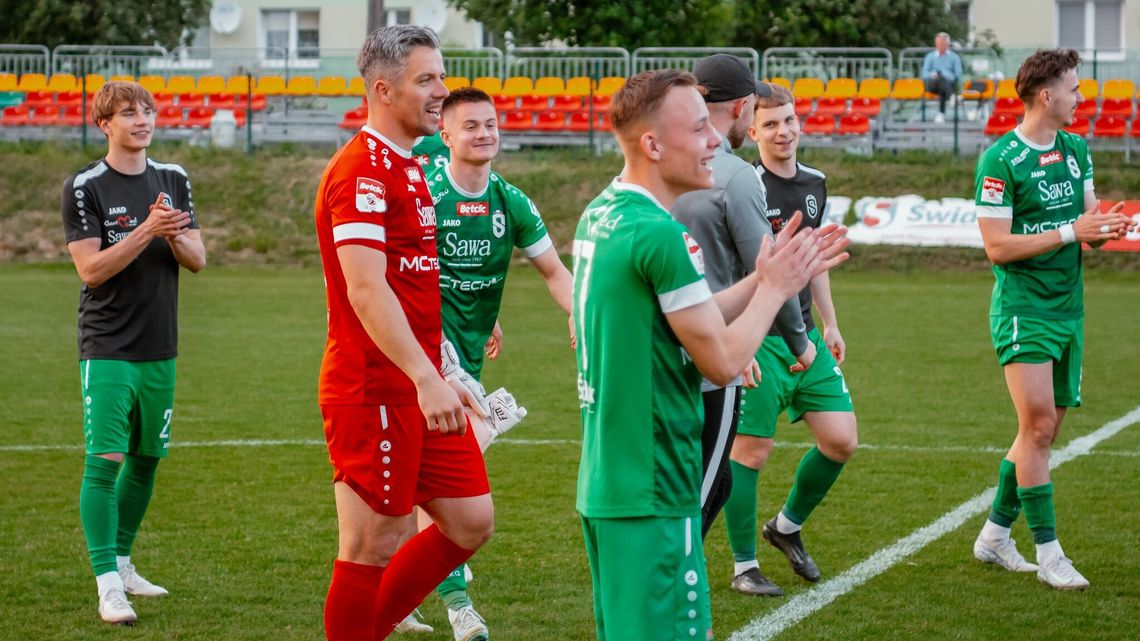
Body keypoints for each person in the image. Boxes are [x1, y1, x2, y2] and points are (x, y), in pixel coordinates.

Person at [573, 68, 849, 641]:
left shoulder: (603, 213)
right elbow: (722, 363)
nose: (716, 141)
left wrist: (768, 275)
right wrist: (773, 290)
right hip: (656, 485)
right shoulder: (661, 236)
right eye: (700, 129)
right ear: (652, 144)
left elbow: (684, 316)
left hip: (609, 482)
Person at [314, 25, 495, 641]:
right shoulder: (361, 170)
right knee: (370, 545)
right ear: (384, 90)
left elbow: (414, 290)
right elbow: (366, 289)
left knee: (471, 521)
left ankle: (369, 630)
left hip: (421, 383)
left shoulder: (414, 169)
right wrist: (424, 377)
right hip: (374, 387)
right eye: (427, 79)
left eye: (441, 76)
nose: (442, 90)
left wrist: (447, 373)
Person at [410, 86, 574, 641]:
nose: (484, 133)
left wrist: (584, 321)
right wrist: (438, 358)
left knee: (420, 484)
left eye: (491, 124)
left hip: (471, 354)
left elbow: (555, 272)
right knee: (450, 485)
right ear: (446, 137)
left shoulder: (512, 201)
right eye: (471, 126)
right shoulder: (427, 195)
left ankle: (406, 583)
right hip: (426, 357)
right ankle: (459, 607)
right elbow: (399, 280)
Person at [971, 48, 1133, 591]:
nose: (1081, 97)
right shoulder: (1000, 160)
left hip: (1070, 309)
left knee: (1043, 430)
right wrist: (1071, 233)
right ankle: (1049, 552)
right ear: (1047, 95)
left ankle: (994, 534)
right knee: (1039, 427)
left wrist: (1113, 229)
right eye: (1074, 88)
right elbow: (996, 247)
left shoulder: (1076, 148)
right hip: (1024, 309)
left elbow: (1091, 221)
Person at [670, 54, 817, 599]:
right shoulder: (733, 175)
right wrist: (800, 342)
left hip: (654, 347)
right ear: (741, 108)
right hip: (710, 350)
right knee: (707, 482)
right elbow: (769, 274)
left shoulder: (658, 161)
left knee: (686, 477)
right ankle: (672, 592)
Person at [61, 80, 207, 625]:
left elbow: (197, 258)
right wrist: (147, 228)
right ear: (105, 123)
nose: (142, 119)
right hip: (108, 343)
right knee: (105, 460)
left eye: (147, 110)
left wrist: (171, 234)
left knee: (146, 459)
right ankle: (105, 583)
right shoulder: (85, 186)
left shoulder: (173, 178)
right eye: (128, 112)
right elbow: (91, 269)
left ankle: (123, 564)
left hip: (159, 342)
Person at [721, 82, 859, 596]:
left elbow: (812, 258)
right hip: (759, 336)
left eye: (790, 120)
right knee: (752, 449)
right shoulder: (742, 185)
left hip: (806, 336)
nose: (783, 131)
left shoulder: (815, 182)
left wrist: (831, 322)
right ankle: (742, 566)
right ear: (751, 129)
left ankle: (786, 527)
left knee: (841, 439)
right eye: (771, 123)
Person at [921, 32, 963, 122]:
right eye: (939, 44)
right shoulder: (930, 57)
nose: (941, 46)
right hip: (932, 84)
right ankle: (952, 96)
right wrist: (932, 74)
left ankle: (941, 114)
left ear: (948, 44)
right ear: (936, 44)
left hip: (948, 84)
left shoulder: (954, 57)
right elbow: (924, 73)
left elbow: (958, 74)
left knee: (942, 83)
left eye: (943, 44)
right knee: (940, 78)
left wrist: (945, 76)